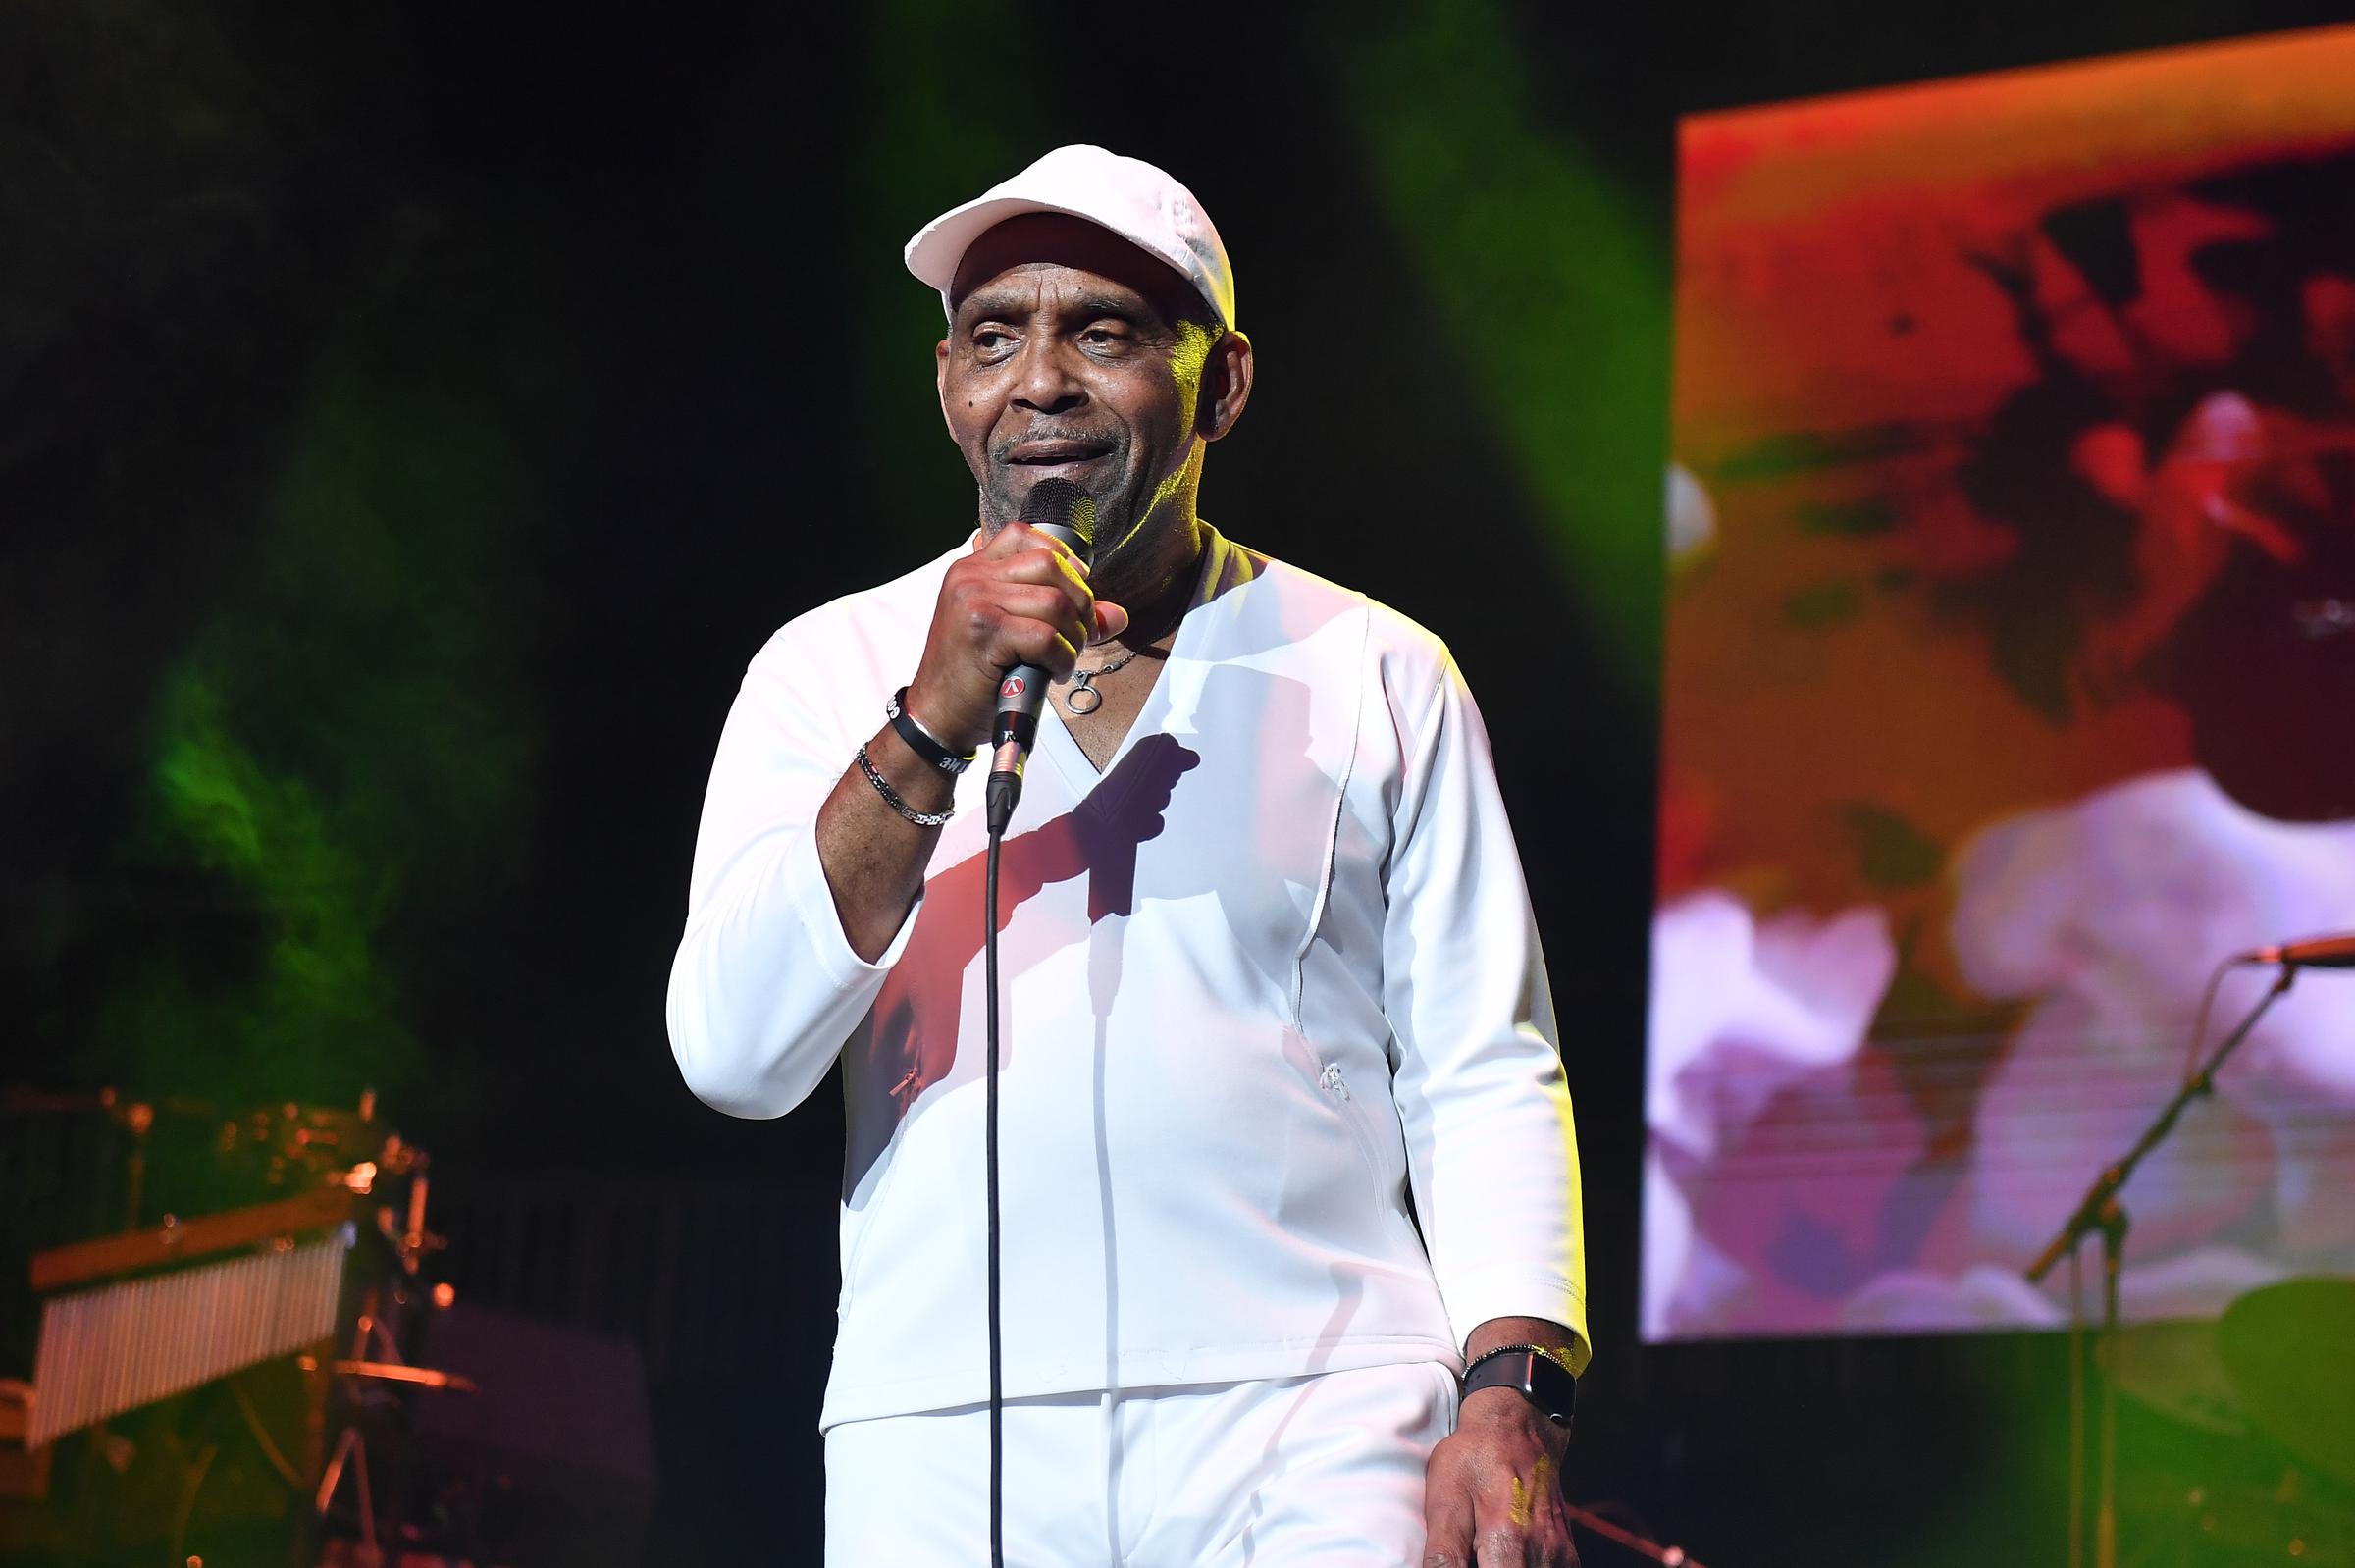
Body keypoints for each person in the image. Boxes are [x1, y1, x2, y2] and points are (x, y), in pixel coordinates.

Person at [667, 144, 1588, 1567]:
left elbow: (1485, 1062)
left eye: (1102, 331)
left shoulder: (1375, 667)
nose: (1040, 381)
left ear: (1220, 383)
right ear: (947, 386)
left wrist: (1510, 1393)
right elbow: (733, 1054)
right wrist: (929, 723)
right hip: (944, 1427)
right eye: (995, 337)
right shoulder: (826, 667)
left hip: (1323, 1408)